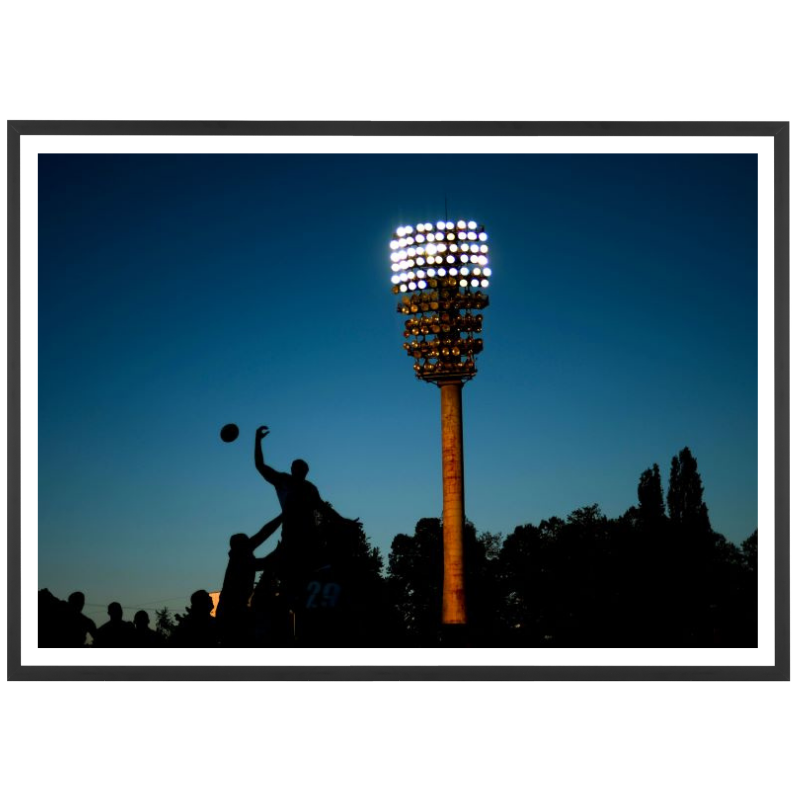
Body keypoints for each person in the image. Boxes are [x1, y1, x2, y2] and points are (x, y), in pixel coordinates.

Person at [253, 426, 358, 590]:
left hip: (308, 539)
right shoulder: (284, 481)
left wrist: (343, 521)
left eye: (303, 470)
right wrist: (258, 440)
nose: (301, 472)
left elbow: (324, 509)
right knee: (284, 571)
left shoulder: (309, 489)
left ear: (306, 472)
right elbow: (260, 466)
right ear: (293, 469)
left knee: (314, 574)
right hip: (292, 537)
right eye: (298, 469)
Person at [216, 513, 283, 643]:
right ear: (241, 546)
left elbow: (264, 533)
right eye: (248, 542)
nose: (252, 544)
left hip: (232, 609)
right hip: (232, 611)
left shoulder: (240, 554)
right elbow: (264, 563)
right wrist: (278, 551)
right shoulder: (240, 560)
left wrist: (282, 516)